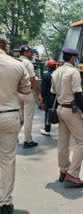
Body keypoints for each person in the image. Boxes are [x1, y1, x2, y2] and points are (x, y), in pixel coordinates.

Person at [0, 35, 31, 214]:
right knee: (6, 160)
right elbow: (25, 89)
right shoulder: (16, 64)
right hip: (8, 115)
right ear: (5, 46)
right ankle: (4, 203)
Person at [51, 48, 83, 188]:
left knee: (63, 142)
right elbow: (78, 95)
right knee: (82, 141)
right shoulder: (74, 72)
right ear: (73, 58)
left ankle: (63, 171)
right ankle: (73, 174)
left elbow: (53, 93)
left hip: (60, 109)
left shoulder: (56, 72)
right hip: (71, 110)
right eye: (76, 58)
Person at [18, 45, 43, 148]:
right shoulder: (28, 63)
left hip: (17, 93)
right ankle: (28, 140)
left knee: (20, 116)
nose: (32, 54)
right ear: (25, 53)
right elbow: (32, 80)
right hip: (27, 93)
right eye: (30, 52)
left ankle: (13, 136)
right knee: (28, 118)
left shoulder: (16, 62)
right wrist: (38, 94)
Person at [40, 59, 57, 136]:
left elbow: (43, 90)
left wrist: (43, 101)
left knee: (48, 113)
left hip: (49, 98)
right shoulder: (59, 74)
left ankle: (47, 129)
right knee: (59, 112)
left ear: (49, 67)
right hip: (58, 97)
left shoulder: (45, 76)